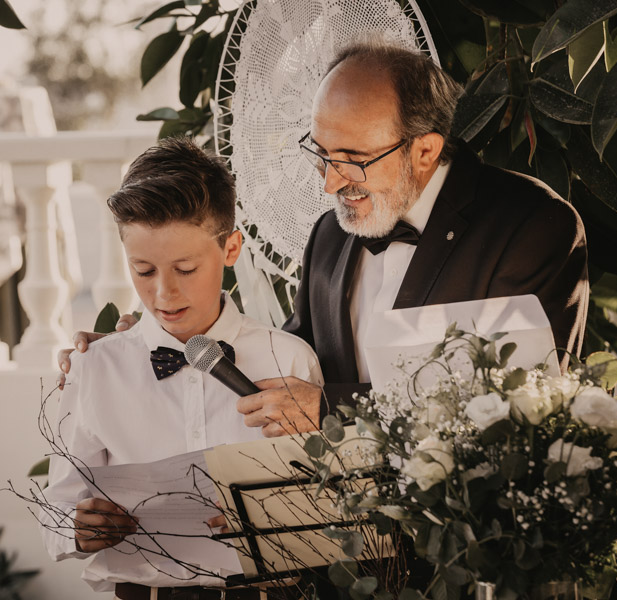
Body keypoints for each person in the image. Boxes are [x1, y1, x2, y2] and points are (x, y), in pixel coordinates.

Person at [61, 42, 589, 439]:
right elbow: (289, 362)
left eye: (353, 160)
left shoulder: (534, 225)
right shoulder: (332, 232)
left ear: (425, 151)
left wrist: (332, 409)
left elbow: (519, 402)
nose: (330, 182)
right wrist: (146, 338)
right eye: (321, 151)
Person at [41, 137, 324, 600]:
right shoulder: (95, 368)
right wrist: (74, 528)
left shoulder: (289, 360)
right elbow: (57, 501)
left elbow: (332, 507)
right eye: (144, 270)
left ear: (231, 249)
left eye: (186, 268)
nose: (164, 295)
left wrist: (278, 519)